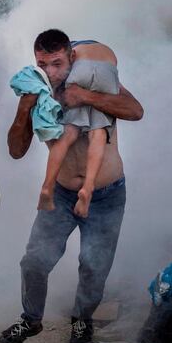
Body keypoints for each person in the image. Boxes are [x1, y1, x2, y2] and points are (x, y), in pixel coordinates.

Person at [0, 29, 143, 343]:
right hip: (61, 195)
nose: (51, 72)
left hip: (105, 194)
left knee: (94, 265)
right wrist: (25, 108)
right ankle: (31, 319)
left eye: (57, 63)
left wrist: (85, 97)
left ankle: (82, 318)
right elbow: (15, 150)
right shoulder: (37, 91)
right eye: (42, 64)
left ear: (71, 57)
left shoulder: (93, 79)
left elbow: (135, 111)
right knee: (34, 261)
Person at [36, 36, 120, 218]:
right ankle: (88, 188)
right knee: (98, 133)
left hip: (79, 76)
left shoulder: (71, 63)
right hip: (105, 72)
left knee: (68, 135)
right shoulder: (99, 52)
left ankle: (47, 186)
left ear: (71, 54)